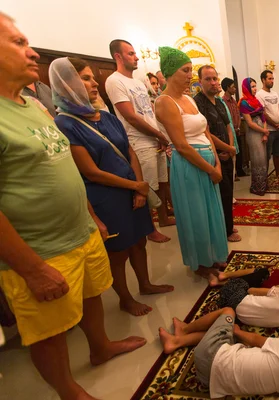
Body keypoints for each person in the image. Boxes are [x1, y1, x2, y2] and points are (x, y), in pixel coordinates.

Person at [0, 13, 145, 400]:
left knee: (92, 296)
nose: (32, 53)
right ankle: (68, 391)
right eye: (17, 43)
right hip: (39, 250)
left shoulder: (32, 106)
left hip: (79, 232)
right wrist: (31, 269)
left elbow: (63, 169)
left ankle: (100, 348)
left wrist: (91, 216)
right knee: (49, 329)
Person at [51, 57, 174, 316]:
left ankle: (145, 284)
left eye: (92, 77)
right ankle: (125, 299)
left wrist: (139, 187)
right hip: (106, 196)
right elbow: (91, 172)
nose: (94, 83)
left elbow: (128, 150)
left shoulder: (105, 116)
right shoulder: (65, 124)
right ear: (67, 84)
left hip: (132, 188)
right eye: (85, 78)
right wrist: (135, 185)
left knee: (139, 241)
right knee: (119, 252)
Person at [154, 47, 228, 283]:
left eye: (190, 70)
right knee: (196, 214)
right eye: (185, 70)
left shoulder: (188, 98)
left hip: (207, 160)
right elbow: (182, 146)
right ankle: (201, 263)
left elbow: (205, 131)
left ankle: (213, 254)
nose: (190, 75)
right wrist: (210, 169)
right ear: (169, 73)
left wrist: (216, 162)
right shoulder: (164, 102)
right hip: (189, 165)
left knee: (210, 211)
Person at [158, 307, 279, 398]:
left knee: (228, 312)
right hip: (208, 380)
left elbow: (253, 339)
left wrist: (236, 331)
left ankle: (185, 329)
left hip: (211, 353)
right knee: (223, 337)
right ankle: (177, 342)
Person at [105, 39, 174, 243]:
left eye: (135, 53)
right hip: (139, 141)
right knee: (147, 185)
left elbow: (149, 112)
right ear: (118, 56)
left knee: (162, 181)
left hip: (153, 137)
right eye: (131, 53)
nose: (136, 57)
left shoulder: (138, 82)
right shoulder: (114, 81)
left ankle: (163, 218)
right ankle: (149, 228)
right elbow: (131, 116)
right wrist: (158, 135)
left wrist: (160, 134)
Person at [193, 67, 240, 243]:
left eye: (215, 78)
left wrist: (229, 146)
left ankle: (227, 224)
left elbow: (227, 125)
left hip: (226, 152)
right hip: (211, 154)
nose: (213, 82)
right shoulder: (197, 103)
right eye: (208, 79)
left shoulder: (219, 102)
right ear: (200, 82)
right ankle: (225, 230)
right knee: (220, 193)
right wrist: (226, 149)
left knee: (228, 193)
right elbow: (206, 132)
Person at [213, 268, 279, 329]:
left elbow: (251, 290)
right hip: (233, 314)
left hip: (230, 295)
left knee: (262, 272)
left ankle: (225, 276)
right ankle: (225, 281)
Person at [239, 77, 270, 196]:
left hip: (262, 132)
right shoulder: (243, 103)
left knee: (263, 160)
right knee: (257, 160)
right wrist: (264, 131)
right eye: (252, 86)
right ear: (246, 88)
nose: (255, 88)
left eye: (255, 86)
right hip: (253, 134)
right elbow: (250, 123)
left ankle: (263, 185)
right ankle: (257, 187)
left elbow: (263, 117)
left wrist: (265, 131)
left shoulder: (256, 100)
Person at [256, 70, 279, 177]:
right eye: (270, 79)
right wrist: (274, 124)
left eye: (273, 78)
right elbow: (263, 113)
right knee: (267, 155)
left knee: (277, 154)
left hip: (278, 129)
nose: (272, 81)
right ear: (263, 80)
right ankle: (265, 177)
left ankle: (278, 175)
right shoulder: (259, 95)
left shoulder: (275, 93)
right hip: (269, 130)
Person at [222, 77, 247, 178]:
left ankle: (239, 170)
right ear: (227, 88)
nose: (235, 89)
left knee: (239, 151)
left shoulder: (233, 100)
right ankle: (234, 173)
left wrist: (238, 126)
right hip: (230, 132)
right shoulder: (223, 101)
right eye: (233, 87)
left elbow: (237, 114)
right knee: (232, 151)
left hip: (237, 130)